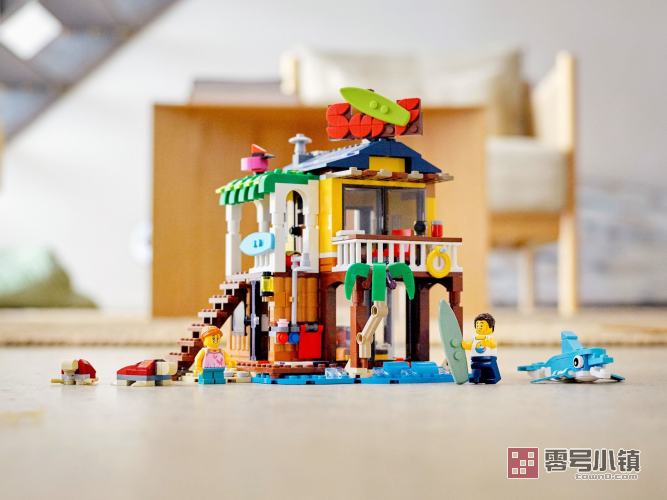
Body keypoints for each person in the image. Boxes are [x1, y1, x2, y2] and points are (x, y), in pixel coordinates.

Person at [461, 313, 501, 384]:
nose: (479, 327)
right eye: (477, 325)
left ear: (490, 327)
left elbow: (493, 344)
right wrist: (464, 344)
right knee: (475, 367)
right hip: (475, 359)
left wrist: (487, 343)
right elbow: (470, 345)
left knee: (489, 369)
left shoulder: (489, 338)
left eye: (481, 325)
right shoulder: (475, 338)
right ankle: (475, 377)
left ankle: (491, 378)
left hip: (489, 359)